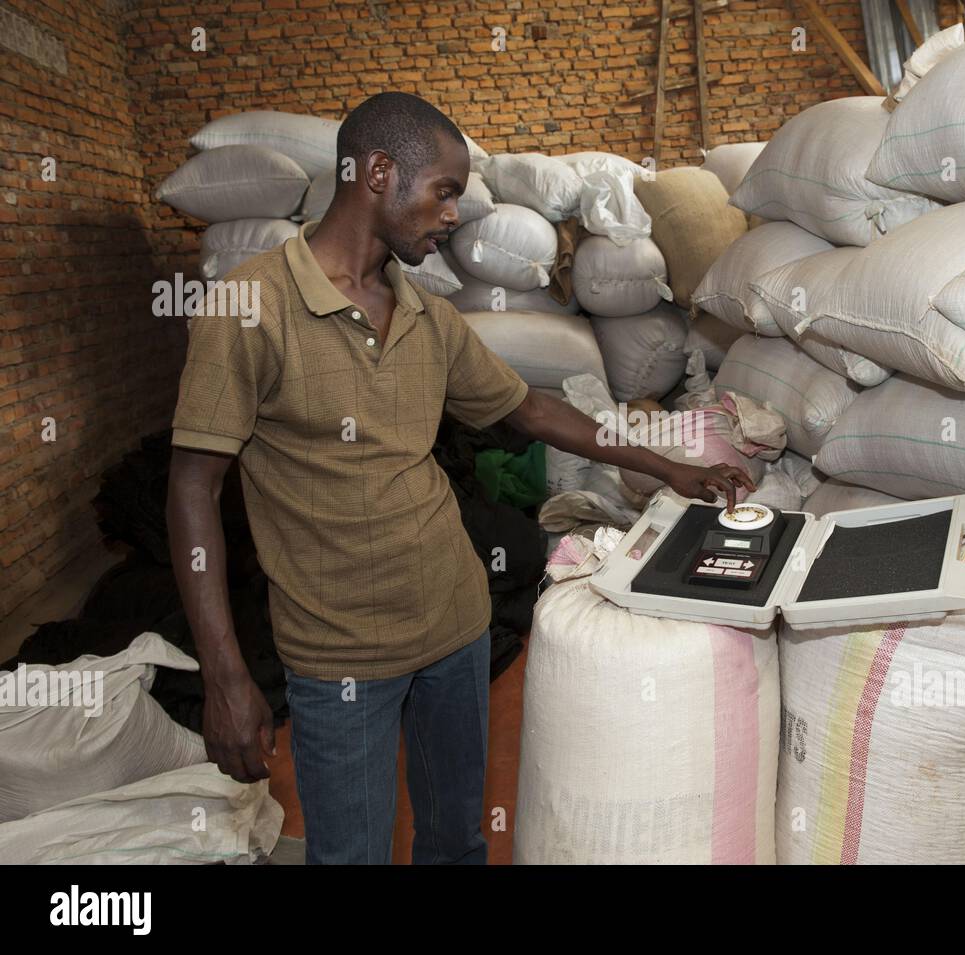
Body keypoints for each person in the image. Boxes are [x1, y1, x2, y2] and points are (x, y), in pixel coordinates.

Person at [166, 92, 753, 865]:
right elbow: (190, 490)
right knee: (349, 856)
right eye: (443, 191)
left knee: (457, 843)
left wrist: (669, 466)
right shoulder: (253, 309)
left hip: (455, 627)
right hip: (338, 654)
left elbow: (535, 411)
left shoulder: (426, 316)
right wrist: (225, 674)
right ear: (378, 173)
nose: (453, 215)